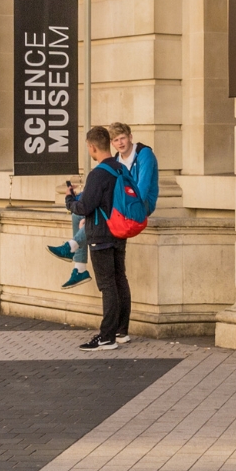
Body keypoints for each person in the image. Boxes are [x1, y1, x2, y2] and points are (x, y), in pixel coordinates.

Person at [65, 126, 132, 350]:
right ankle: (122, 331)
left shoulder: (98, 173)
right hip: (119, 232)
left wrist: (70, 202)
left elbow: (85, 207)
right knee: (119, 280)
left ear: (92, 147)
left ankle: (106, 337)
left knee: (107, 286)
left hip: (101, 235)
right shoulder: (120, 169)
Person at [106, 122, 160, 216]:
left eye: (123, 138)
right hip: (121, 203)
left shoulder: (144, 154)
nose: (120, 143)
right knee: (79, 216)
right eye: (116, 140)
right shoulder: (116, 160)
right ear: (112, 144)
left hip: (143, 203)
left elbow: (143, 186)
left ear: (130, 137)